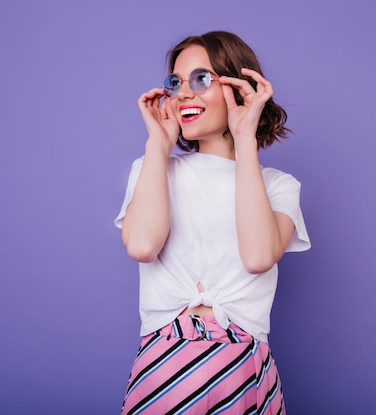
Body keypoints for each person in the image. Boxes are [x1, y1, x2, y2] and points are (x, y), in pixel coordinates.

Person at [115, 31, 310, 415]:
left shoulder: (278, 186)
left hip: (242, 366)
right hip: (164, 362)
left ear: (238, 88)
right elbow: (141, 246)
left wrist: (244, 138)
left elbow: (257, 256)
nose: (183, 93)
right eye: (176, 83)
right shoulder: (153, 169)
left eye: (201, 79)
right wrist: (158, 144)